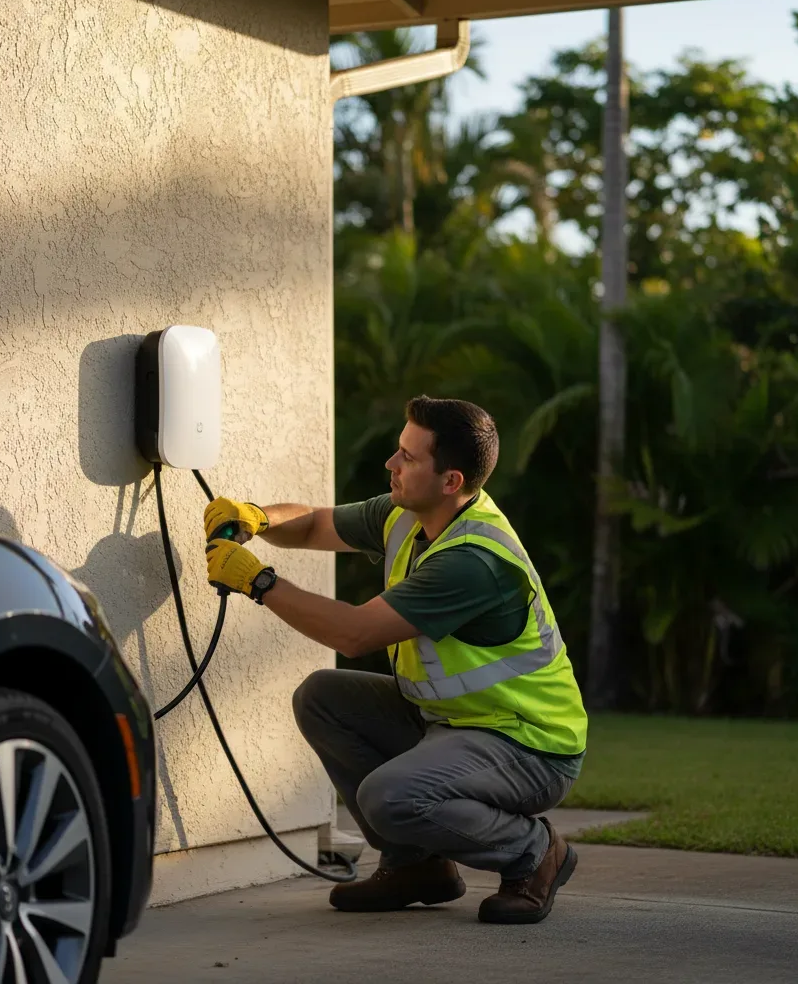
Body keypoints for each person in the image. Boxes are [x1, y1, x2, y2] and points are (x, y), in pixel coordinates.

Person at [203, 395, 588, 924]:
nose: (392, 463)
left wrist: (258, 581)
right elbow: (315, 524)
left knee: (390, 797)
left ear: (451, 481)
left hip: (528, 743)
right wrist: (257, 518)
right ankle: (416, 867)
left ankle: (534, 853)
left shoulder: (472, 562)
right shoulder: (409, 516)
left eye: (408, 456)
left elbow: (354, 633)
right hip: (452, 723)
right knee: (323, 697)